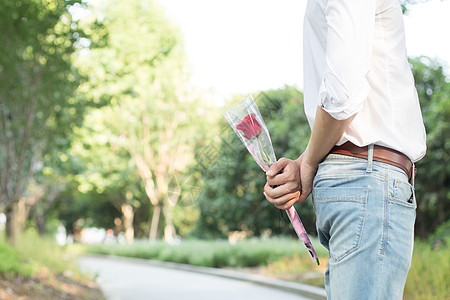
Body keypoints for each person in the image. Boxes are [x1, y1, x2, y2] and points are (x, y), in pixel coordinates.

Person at [263, 0, 426, 299]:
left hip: (359, 182)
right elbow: (343, 93)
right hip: (367, 181)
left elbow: (344, 99)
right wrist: (308, 162)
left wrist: (307, 161)